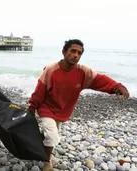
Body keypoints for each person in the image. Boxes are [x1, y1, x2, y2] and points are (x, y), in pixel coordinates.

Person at [27, 39, 129, 171]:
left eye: (79, 53)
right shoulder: (51, 70)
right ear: (64, 52)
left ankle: (37, 145)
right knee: (52, 136)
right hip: (46, 107)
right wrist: (31, 107)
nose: (76, 55)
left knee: (49, 135)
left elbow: (100, 80)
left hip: (63, 110)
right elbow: (39, 90)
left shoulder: (83, 72)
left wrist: (117, 87)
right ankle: (46, 162)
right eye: (72, 51)